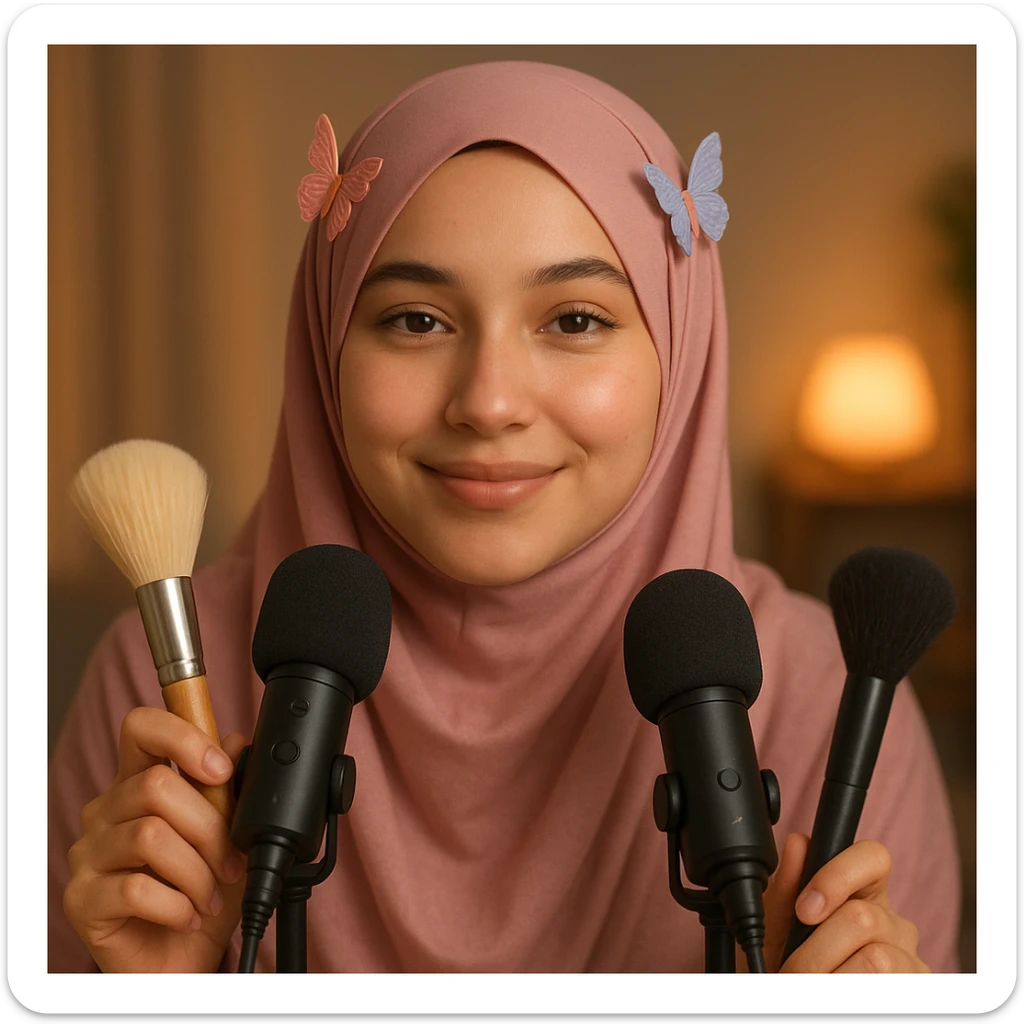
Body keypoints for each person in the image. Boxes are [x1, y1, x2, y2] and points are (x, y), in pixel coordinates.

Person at [48, 61, 960, 974]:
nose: (488, 403)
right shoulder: (171, 691)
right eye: (414, 320)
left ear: (679, 351)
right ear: (324, 343)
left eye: (572, 320)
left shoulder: (833, 701)